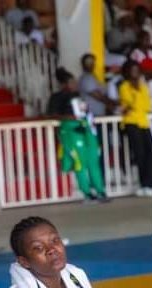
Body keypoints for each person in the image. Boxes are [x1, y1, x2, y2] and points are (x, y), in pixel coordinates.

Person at [48, 69, 109, 203]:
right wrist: (70, 118)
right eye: (72, 82)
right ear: (64, 84)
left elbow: (86, 112)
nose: (75, 84)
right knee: (79, 163)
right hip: (71, 131)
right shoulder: (57, 97)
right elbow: (51, 114)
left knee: (94, 161)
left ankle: (101, 191)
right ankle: (87, 194)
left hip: (86, 129)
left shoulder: (79, 96)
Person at [118, 60, 152, 197]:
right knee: (140, 155)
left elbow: (146, 105)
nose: (135, 72)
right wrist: (135, 100)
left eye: (136, 69)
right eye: (132, 70)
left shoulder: (143, 86)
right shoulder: (124, 86)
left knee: (151, 153)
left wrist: (136, 99)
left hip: (143, 122)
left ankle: (150, 184)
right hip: (131, 123)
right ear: (127, 72)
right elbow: (129, 103)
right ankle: (143, 184)